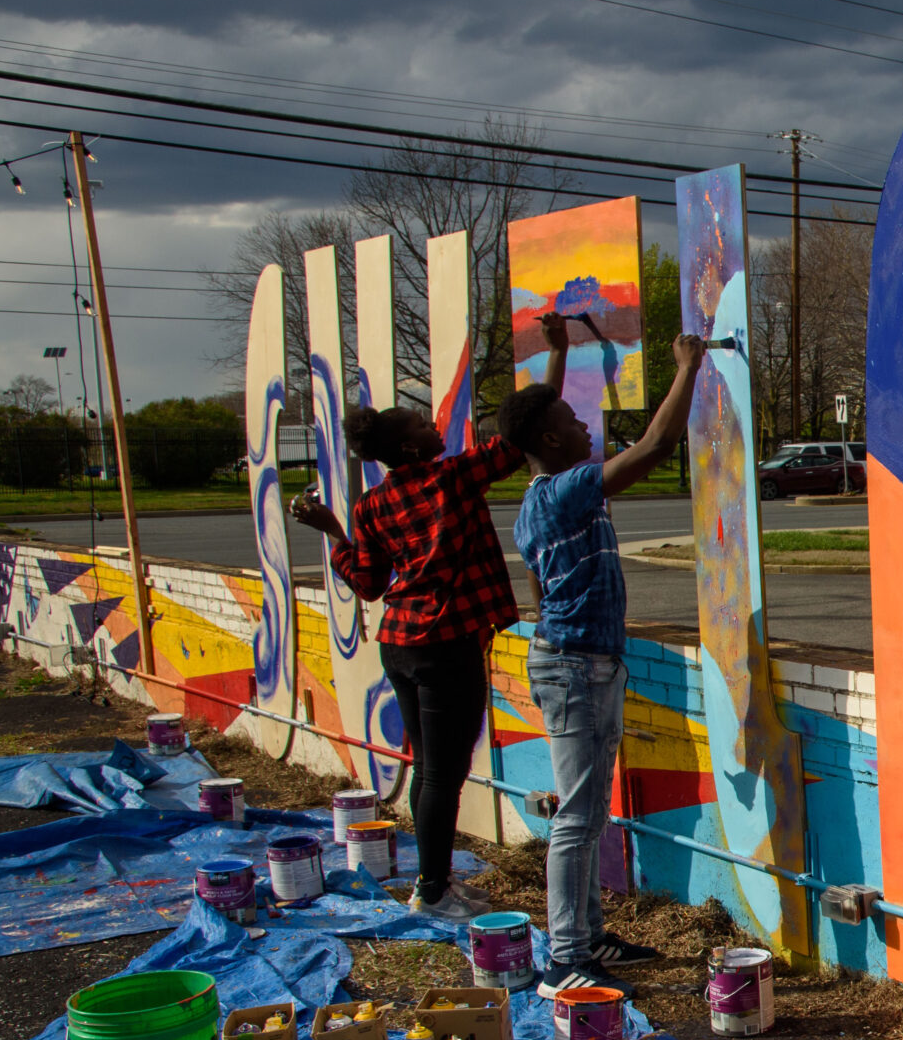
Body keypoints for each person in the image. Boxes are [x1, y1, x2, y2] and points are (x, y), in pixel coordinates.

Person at [290, 322, 560, 922]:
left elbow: (367, 583)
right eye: (421, 425)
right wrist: (558, 355)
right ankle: (433, 891)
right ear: (411, 449)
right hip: (443, 646)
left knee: (428, 769)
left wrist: (335, 533)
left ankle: (431, 882)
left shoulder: (373, 503)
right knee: (444, 773)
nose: (432, 426)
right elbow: (521, 434)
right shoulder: (451, 478)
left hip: (402, 645)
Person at [509, 321, 706, 994]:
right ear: (548, 441)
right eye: (571, 419)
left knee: (588, 812)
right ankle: (566, 958)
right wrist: (687, 364)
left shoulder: (539, 499)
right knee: (578, 816)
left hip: (579, 661)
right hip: (575, 667)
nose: (583, 424)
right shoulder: (563, 493)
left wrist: (560, 355)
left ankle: (586, 939)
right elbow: (656, 445)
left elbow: (538, 588)